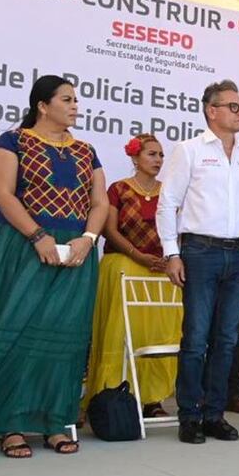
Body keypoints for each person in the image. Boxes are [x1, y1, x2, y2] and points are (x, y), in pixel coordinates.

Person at [0, 75, 107, 458]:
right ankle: (10, 424)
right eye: (67, 99)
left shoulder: (86, 150)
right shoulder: (12, 142)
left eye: (76, 99)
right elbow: (2, 195)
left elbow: (99, 203)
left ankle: (53, 421)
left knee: (62, 338)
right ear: (42, 105)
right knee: (15, 333)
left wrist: (88, 239)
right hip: (21, 246)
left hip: (75, 252)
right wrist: (38, 237)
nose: (75, 105)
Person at [158, 80, 239, 444]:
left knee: (228, 339)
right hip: (199, 251)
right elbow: (167, 202)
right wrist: (172, 252)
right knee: (196, 337)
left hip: (237, 254)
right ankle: (189, 415)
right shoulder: (189, 150)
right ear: (211, 110)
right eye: (233, 107)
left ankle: (215, 414)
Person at [85, 134, 181, 418]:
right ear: (135, 158)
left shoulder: (170, 191)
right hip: (123, 265)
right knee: (120, 333)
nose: (158, 160)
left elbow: (176, 230)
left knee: (157, 334)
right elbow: (108, 229)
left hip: (161, 271)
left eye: (161, 155)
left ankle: (152, 399)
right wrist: (137, 255)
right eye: (152, 154)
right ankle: (112, 394)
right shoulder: (119, 189)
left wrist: (169, 258)